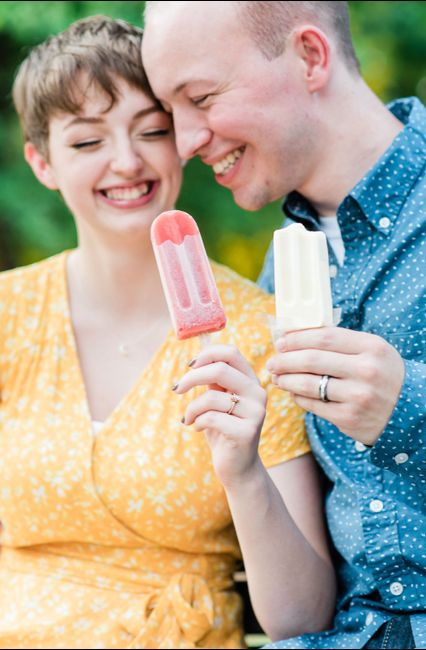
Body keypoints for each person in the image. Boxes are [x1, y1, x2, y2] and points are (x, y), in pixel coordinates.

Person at [0, 14, 336, 649]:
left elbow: (303, 619)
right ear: (41, 162)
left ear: (182, 137)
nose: (126, 162)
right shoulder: (7, 315)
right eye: (85, 142)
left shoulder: (257, 333)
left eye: (151, 131)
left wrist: (244, 471)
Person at [142, 1, 426, 648]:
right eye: (171, 114)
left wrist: (411, 405)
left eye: (201, 97)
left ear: (309, 57)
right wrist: (239, 463)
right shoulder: (284, 270)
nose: (185, 143)